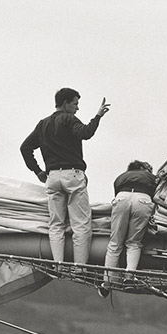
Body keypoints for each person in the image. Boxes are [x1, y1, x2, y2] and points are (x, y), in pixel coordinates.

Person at [20, 88, 110, 265]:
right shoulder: (69, 119)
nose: (77, 108)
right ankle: (79, 268)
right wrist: (98, 116)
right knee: (81, 225)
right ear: (66, 104)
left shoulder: (43, 124)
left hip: (52, 177)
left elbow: (25, 148)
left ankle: (58, 265)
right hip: (73, 175)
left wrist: (38, 171)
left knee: (56, 225)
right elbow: (85, 133)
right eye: (75, 104)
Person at [98, 160, 158, 298]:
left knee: (115, 243)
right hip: (143, 199)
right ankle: (129, 277)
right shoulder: (151, 177)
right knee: (134, 243)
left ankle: (107, 283)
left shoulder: (121, 177)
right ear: (145, 169)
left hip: (122, 198)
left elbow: (116, 192)